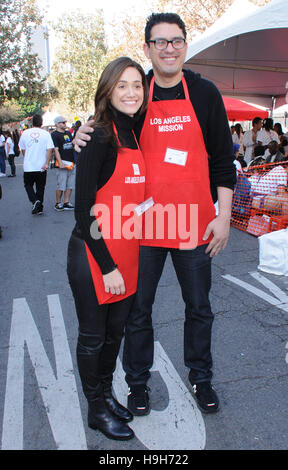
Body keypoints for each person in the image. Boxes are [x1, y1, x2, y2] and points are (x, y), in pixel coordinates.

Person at [74, 12, 236, 416]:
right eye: (159, 42)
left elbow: (222, 159)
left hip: (195, 224)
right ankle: (137, 384)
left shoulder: (204, 93)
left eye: (176, 40)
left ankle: (200, 378)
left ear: (185, 44)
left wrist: (225, 216)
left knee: (199, 307)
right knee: (137, 312)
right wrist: (80, 134)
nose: (168, 48)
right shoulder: (137, 94)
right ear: (148, 47)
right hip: (142, 228)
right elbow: (106, 128)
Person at [67, 57, 148, 440]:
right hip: (95, 257)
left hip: (127, 253)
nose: (131, 92)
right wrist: (108, 266)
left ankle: (105, 394)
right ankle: (95, 409)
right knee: (94, 336)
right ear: (108, 91)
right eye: (122, 86)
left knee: (116, 334)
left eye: (137, 85)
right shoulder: (98, 135)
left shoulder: (135, 133)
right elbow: (83, 211)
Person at [19, 114, 54, 215]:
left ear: (32, 122)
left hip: (29, 166)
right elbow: (49, 149)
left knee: (28, 185)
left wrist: (27, 157)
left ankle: (35, 202)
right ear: (41, 122)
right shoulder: (46, 134)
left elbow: (23, 149)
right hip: (41, 165)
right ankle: (39, 206)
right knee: (40, 187)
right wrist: (47, 163)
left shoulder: (25, 133)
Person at [51, 116, 75, 211]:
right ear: (57, 124)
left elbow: (72, 144)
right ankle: (58, 203)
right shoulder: (54, 135)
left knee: (70, 184)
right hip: (62, 163)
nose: (65, 124)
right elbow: (56, 150)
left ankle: (66, 202)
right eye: (63, 122)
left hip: (71, 162)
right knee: (61, 184)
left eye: (65, 122)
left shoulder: (68, 133)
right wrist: (60, 162)